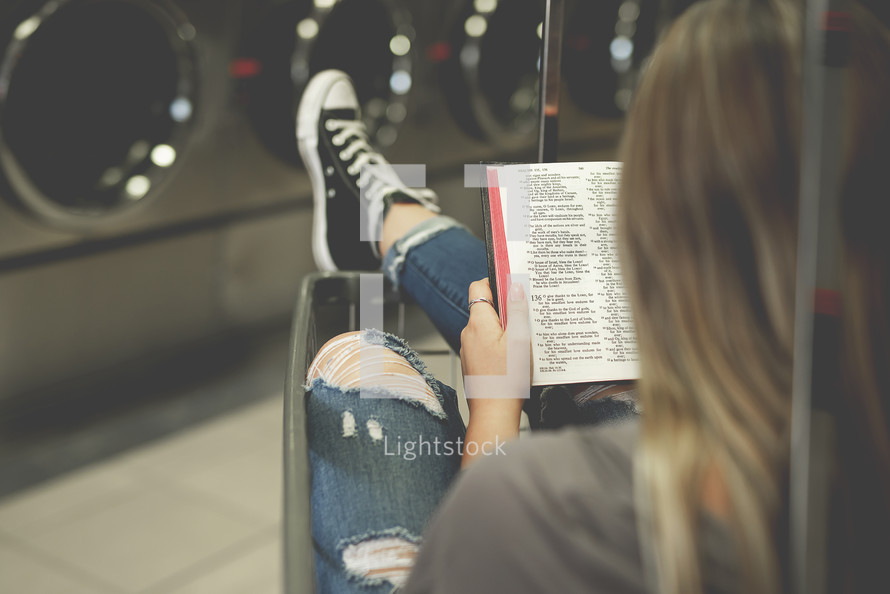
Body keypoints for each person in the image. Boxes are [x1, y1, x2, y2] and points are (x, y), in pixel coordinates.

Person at [297, 0, 890, 592]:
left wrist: (496, 408)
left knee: (365, 364)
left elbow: (485, 555)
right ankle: (387, 217)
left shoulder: (540, 505)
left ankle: (385, 218)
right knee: (553, 334)